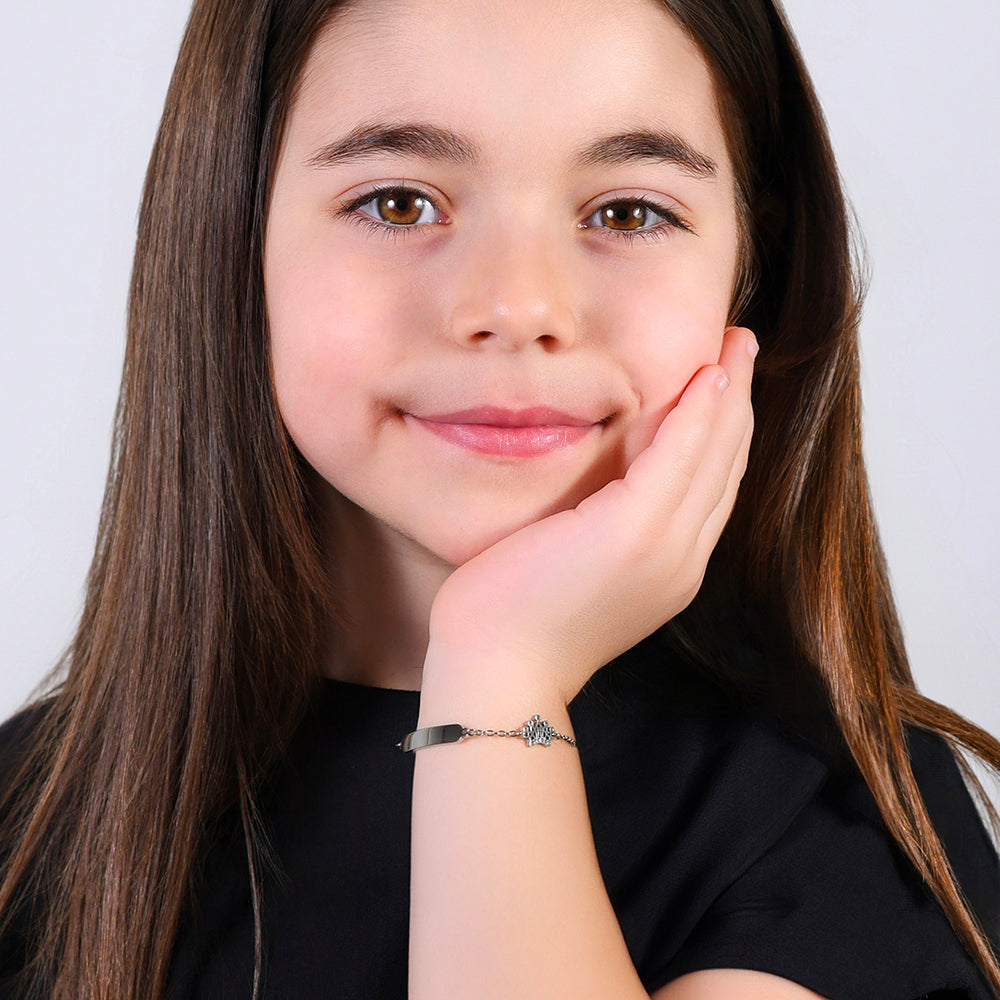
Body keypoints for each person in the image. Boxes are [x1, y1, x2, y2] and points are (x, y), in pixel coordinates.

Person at [0, 0, 997, 997]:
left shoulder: (849, 817)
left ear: (748, 273)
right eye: (398, 203)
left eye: (627, 212)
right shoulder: (29, 820)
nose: (518, 307)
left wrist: (500, 667)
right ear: (233, 236)